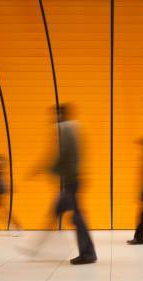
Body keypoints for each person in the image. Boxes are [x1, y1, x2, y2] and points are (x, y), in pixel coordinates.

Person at [51, 104, 97, 264]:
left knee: (76, 217)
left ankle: (88, 254)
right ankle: (88, 253)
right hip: (75, 179)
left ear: (60, 115)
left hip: (71, 180)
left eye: (56, 114)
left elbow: (63, 155)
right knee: (75, 216)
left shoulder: (64, 129)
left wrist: (51, 169)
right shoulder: (74, 128)